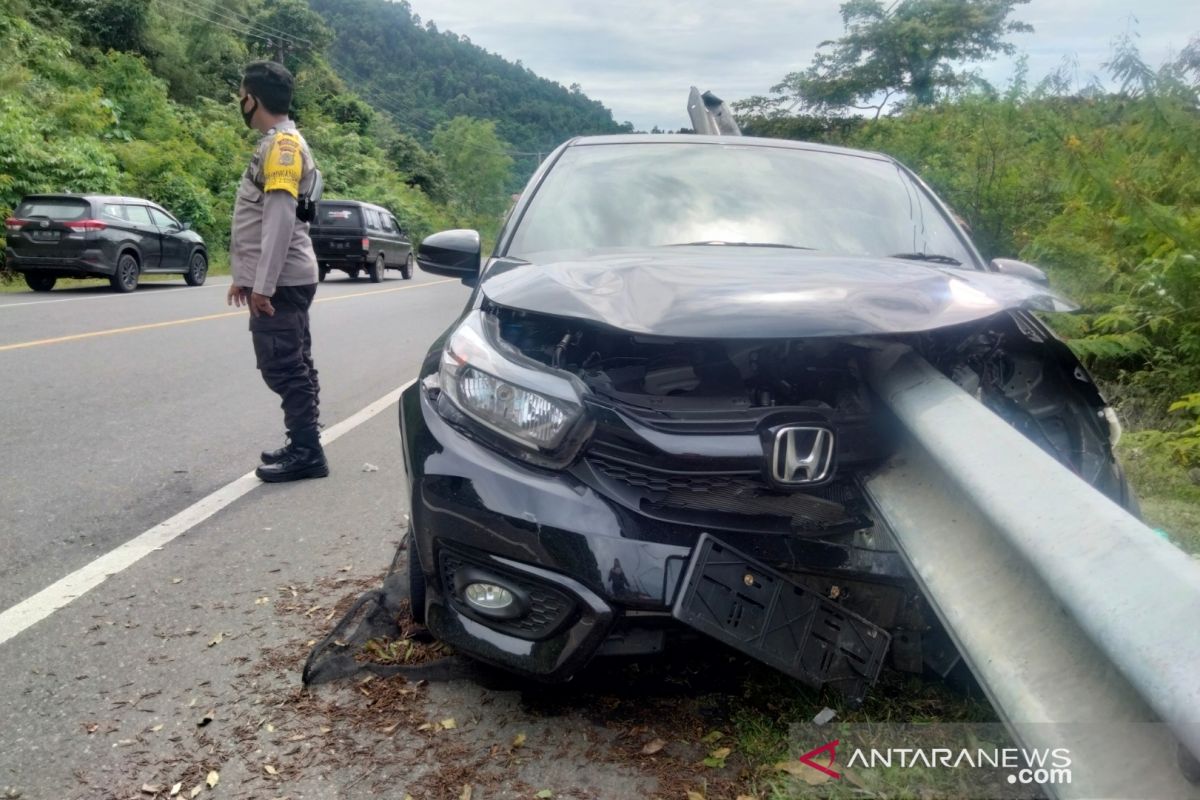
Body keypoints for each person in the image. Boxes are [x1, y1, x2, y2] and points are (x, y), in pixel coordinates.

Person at [228, 60, 327, 482]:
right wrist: (245, 277)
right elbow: (261, 219)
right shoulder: (279, 143)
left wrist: (262, 287)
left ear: (253, 98)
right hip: (284, 277)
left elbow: (281, 219)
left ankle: (307, 452)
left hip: (283, 281)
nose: (239, 101)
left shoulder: (282, 148)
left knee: (283, 365)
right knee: (295, 360)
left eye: (241, 94)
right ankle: (304, 442)